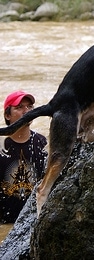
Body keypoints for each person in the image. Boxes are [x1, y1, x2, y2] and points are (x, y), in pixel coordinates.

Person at [0, 91, 48, 223]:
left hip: (31, 223)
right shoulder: (0, 145)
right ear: (7, 115)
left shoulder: (42, 143)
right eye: (19, 107)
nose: (26, 111)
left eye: (29, 107)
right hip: (4, 222)